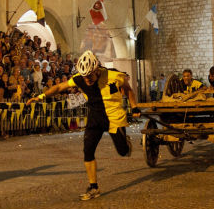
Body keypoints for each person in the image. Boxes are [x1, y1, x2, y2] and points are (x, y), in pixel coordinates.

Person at [28, 51, 138, 200]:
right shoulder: (79, 79)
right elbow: (60, 87)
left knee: (123, 152)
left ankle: (125, 142)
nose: (86, 80)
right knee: (88, 150)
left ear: (96, 70)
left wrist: (134, 106)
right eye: (84, 76)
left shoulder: (114, 75)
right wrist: (40, 97)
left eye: (89, 76)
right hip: (95, 118)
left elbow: (128, 89)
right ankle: (94, 187)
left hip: (113, 117)